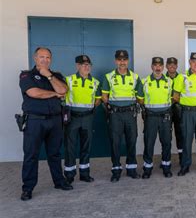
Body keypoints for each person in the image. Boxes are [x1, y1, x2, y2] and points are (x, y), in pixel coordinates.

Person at [19, 47, 72, 201]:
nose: (45, 60)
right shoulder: (26, 75)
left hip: (55, 120)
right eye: (41, 57)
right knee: (31, 155)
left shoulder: (56, 76)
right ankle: (27, 188)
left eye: (48, 57)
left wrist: (49, 76)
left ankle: (59, 181)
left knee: (55, 154)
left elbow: (63, 90)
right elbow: (33, 93)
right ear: (35, 58)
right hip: (35, 121)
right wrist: (54, 94)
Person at [102, 50, 144, 182]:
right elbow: (104, 97)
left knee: (132, 140)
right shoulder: (108, 77)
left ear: (128, 61)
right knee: (115, 142)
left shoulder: (135, 77)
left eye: (124, 59)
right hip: (115, 114)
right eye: (119, 59)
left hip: (130, 113)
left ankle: (131, 169)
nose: (122, 62)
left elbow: (140, 98)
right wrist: (113, 107)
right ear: (116, 61)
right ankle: (116, 169)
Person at [63, 55, 101, 184]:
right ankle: (69, 175)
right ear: (77, 66)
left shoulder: (95, 82)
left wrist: (89, 109)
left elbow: (98, 100)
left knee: (86, 146)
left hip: (87, 118)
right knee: (70, 147)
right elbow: (61, 95)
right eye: (83, 64)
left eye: (88, 65)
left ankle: (84, 174)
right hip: (72, 118)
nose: (86, 67)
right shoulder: (68, 80)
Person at [141, 57, 173, 178]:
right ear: (152, 67)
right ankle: (147, 169)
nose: (158, 68)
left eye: (160, 65)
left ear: (163, 67)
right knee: (149, 143)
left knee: (166, 143)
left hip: (165, 117)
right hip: (151, 117)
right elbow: (140, 99)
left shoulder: (169, 81)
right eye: (155, 65)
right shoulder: (144, 82)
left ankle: (166, 167)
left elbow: (173, 98)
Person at [165, 57, 184, 163]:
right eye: (169, 64)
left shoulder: (182, 78)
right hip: (166, 110)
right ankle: (166, 160)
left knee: (180, 135)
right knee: (166, 136)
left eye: (174, 64)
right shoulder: (162, 77)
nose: (172, 66)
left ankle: (182, 159)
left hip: (179, 110)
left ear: (177, 66)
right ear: (166, 66)